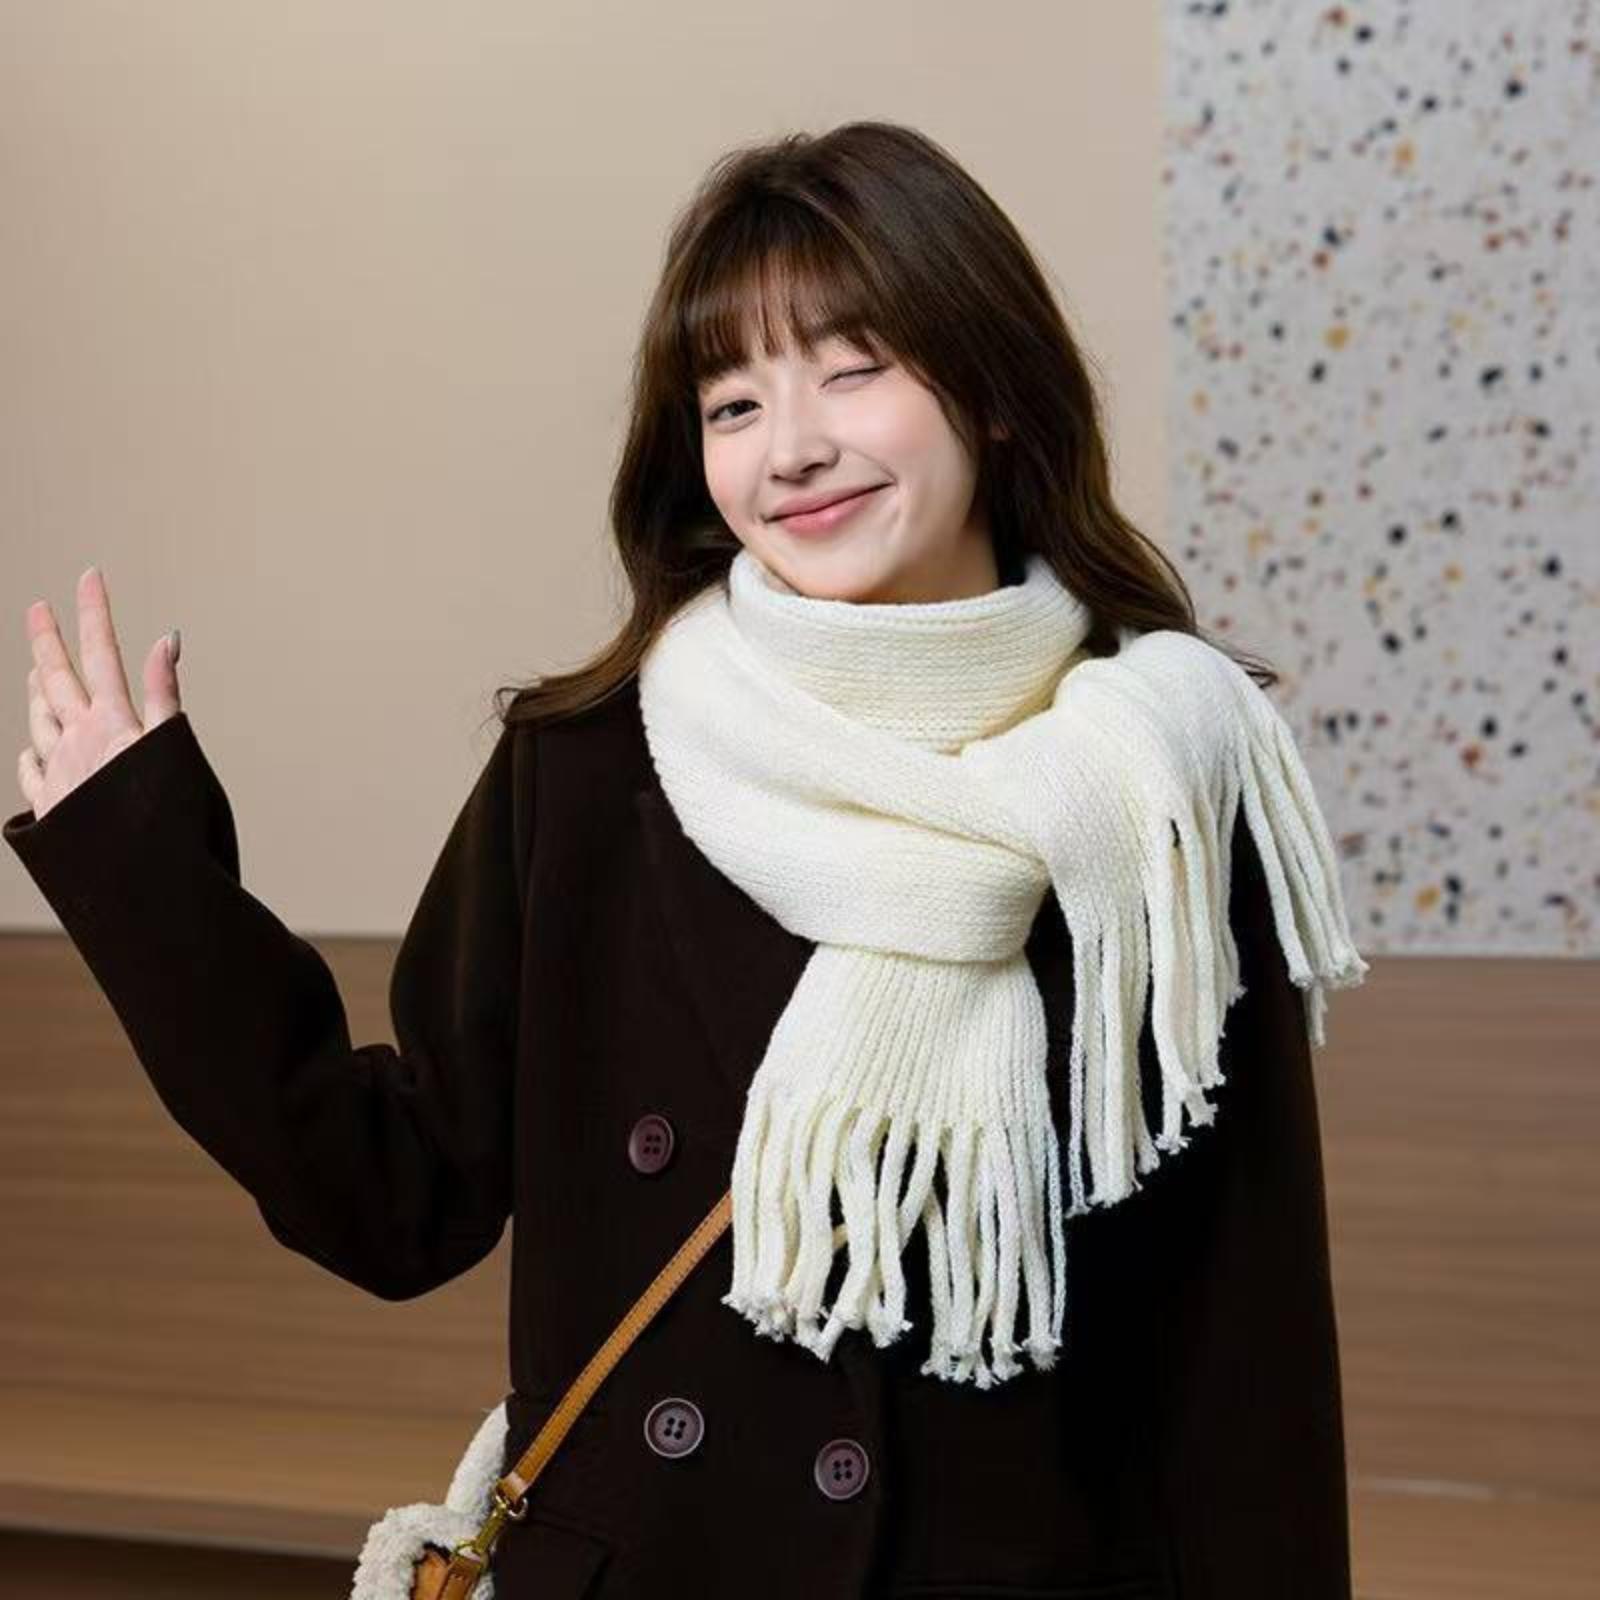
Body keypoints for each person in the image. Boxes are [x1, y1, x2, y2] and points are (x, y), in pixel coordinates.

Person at [6, 120, 1368, 1599]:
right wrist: (145, 877)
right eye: (732, 403)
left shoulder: (1162, 777)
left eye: (853, 370)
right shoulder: (592, 765)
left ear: (992, 390)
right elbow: (391, 1201)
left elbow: (1238, 1358)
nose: (791, 449)